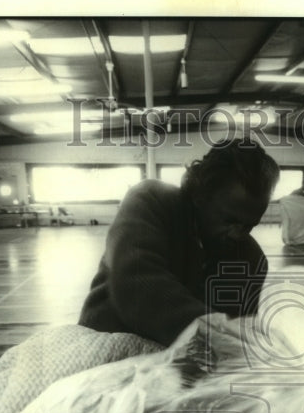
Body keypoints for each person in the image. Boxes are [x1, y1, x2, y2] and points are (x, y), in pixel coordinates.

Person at [78, 140, 280, 346]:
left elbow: (237, 329)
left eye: (249, 226)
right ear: (200, 197)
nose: (238, 234)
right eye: (230, 221)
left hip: (175, 357)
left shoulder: (251, 258)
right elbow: (136, 286)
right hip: (107, 341)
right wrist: (222, 334)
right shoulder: (151, 200)